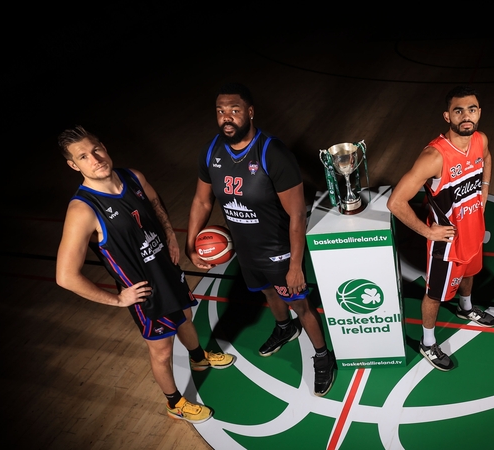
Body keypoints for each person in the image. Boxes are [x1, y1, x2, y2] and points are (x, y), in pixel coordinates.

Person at [55, 126, 236, 424]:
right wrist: (118, 300)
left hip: (167, 269)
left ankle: (199, 358)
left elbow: (153, 201)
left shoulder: (132, 176)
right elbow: (65, 276)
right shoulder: (83, 210)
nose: (96, 159)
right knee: (162, 352)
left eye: (96, 149)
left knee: (186, 318)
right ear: (74, 165)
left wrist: (169, 234)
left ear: (104, 145)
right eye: (84, 157)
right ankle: (175, 403)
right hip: (145, 294)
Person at [185, 83, 336, 396]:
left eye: (234, 111)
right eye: (220, 111)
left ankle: (323, 357)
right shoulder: (211, 151)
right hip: (247, 251)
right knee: (268, 294)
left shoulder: (273, 153)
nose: (227, 117)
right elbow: (202, 201)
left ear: (250, 113)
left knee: (301, 305)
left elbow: (296, 215)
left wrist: (295, 265)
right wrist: (190, 243)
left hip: (279, 252)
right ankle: (284, 328)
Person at [387, 85, 494, 372]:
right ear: (447, 116)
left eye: (471, 109)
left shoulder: (480, 140)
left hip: (473, 229)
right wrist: (428, 232)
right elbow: (396, 202)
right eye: (458, 111)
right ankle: (427, 342)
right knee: (434, 294)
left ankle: (466, 307)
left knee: (472, 272)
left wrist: (483, 192)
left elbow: (487, 159)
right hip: (446, 242)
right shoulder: (434, 157)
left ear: (479, 113)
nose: (466, 116)